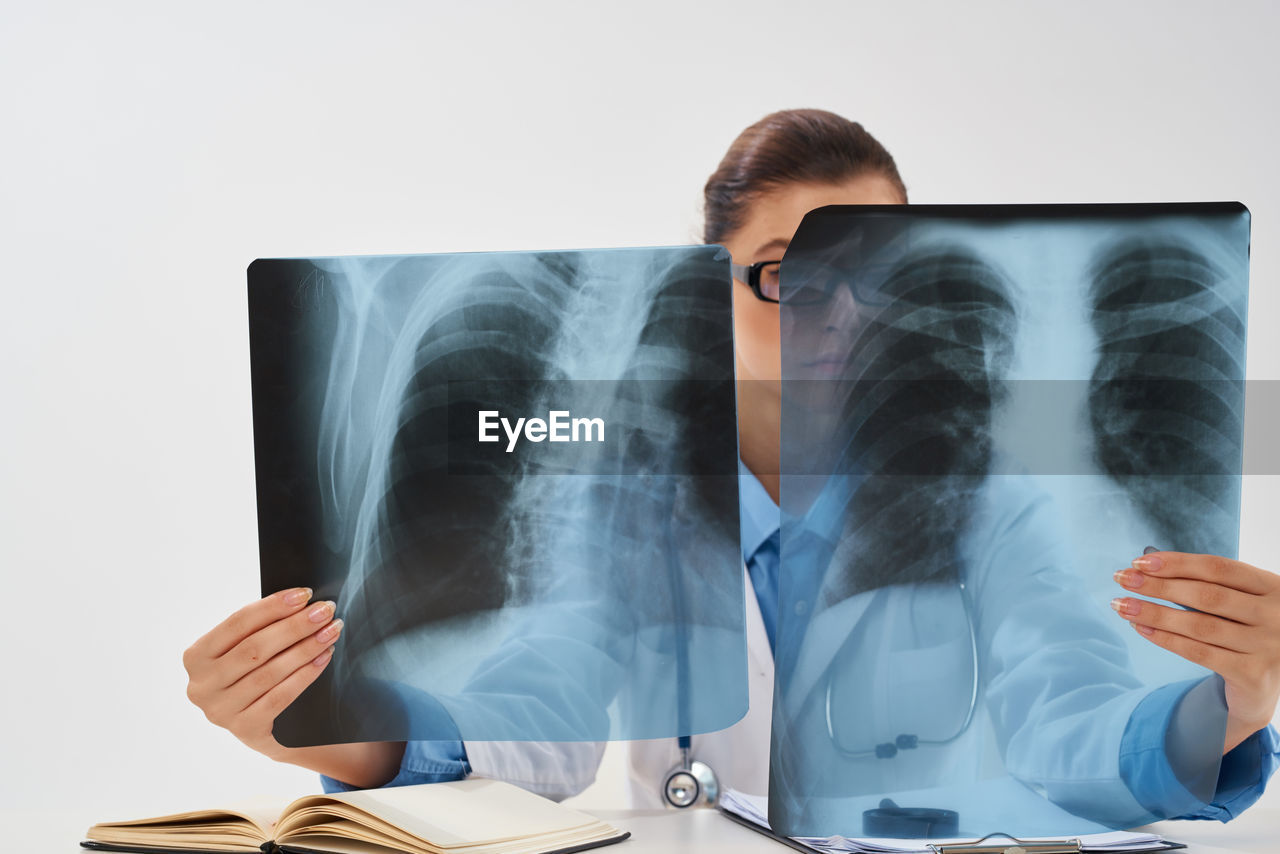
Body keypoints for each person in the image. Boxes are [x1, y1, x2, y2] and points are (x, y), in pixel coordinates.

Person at [183, 109, 1280, 820]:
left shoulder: (989, 498)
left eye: (876, 265)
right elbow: (535, 717)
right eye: (780, 269)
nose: (837, 304)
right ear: (710, 284)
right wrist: (323, 718)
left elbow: (1067, 715)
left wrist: (1227, 703)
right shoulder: (630, 492)